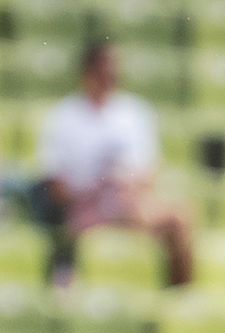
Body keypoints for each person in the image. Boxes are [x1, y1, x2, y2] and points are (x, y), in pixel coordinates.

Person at [37, 42, 193, 286]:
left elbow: (148, 173)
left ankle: (179, 297)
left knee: (180, 217)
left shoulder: (135, 112)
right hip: (86, 207)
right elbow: (56, 184)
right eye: (105, 70)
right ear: (88, 72)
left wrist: (125, 189)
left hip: (129, 204)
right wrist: (93, 192)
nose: (111, 76)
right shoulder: (63, 116)